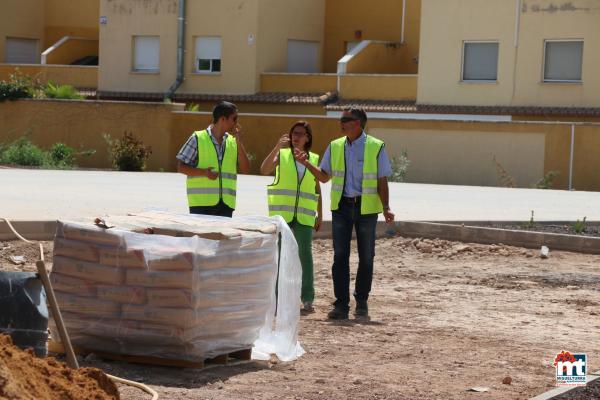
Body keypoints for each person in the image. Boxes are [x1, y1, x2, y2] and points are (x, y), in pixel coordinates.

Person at [295, 107, 395, 320]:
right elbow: (324, 177)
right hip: (341, 208)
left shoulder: (376, 147)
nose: (341, 122)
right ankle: (341, 305)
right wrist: (306, 163)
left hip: (366, 209)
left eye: (345, 119)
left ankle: (361, 302)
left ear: (357, 123)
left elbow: (381, 180)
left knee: (366, 257)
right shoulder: (335, 146)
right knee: (340, 257)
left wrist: (386, 207)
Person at [260, 121, 322, 313]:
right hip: (282, 215)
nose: (296, 136)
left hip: (304, 214)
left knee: (305, 254)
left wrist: (320, 212)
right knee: (279, 255)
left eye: (301, 134)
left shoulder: (312, 158)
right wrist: (277, 147)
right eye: (294, 133)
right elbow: (264, 170)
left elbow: (316, 186)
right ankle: (276, 297)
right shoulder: (282, 155)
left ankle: (307, 297)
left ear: (307, 138)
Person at [176, 101, 250, 217]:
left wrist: (239, 142)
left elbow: (246, 169)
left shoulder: (233, 141)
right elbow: (181, 167)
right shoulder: (198, 138)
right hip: (201, 205)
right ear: (223, 119)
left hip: (226, 205)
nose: (236, 123)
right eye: (234, 118)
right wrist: (204, 173)